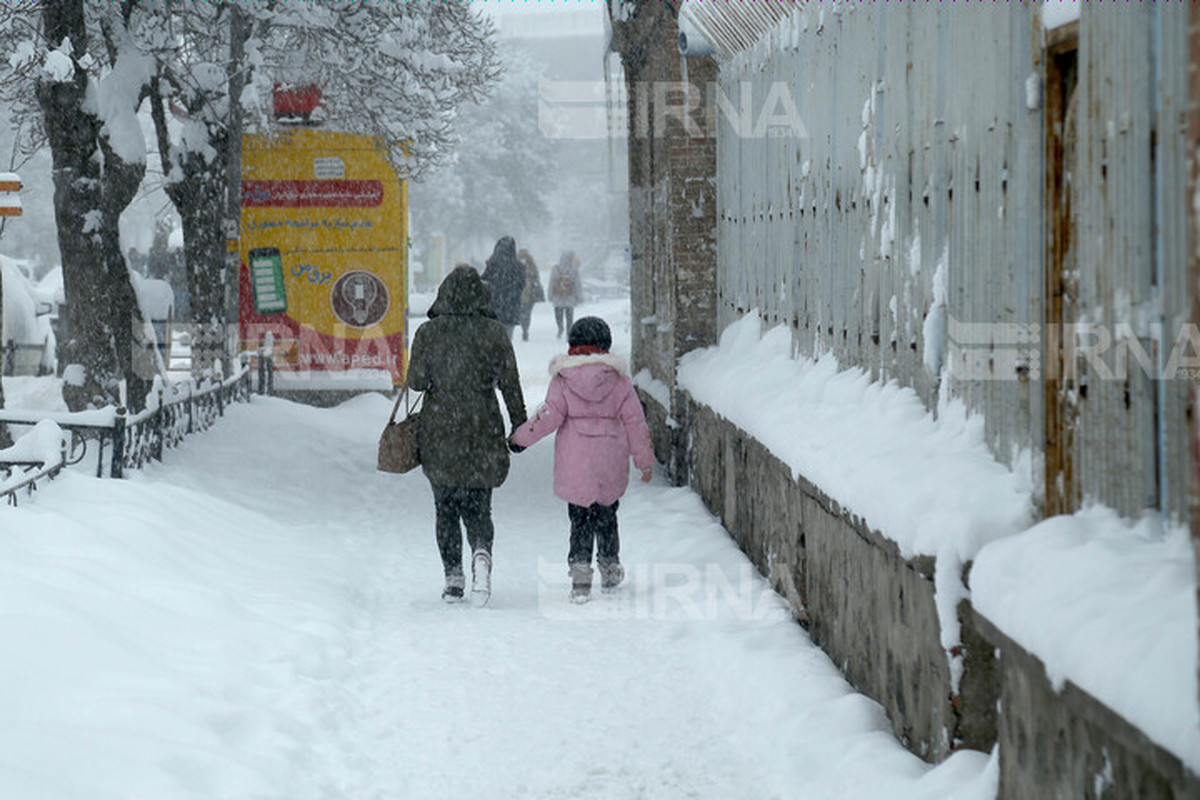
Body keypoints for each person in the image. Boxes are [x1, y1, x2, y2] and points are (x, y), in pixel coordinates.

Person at [509, 316, 654, 603]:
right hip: (609, 460)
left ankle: (580, 573)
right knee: (607, 515)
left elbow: (547, 416)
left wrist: (519, 439)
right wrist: (644, 461)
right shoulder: (620, 382)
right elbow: (636, 423)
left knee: (579, 519)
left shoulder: (563, 380)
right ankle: (610, 566)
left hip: (575, 463)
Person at [406, 264, 528, 605]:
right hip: (482, 426)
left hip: (440, 430)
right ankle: (481, 553)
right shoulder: (494, 332)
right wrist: (519, 426)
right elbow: (510, 385)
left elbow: (416, 382)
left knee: (445, 507)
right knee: (479, 506)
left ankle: (453, 577)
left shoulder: (429, 333)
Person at [481, 236, 525, 339]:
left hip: (493, 308)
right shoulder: (519, 267)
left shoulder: (492, 265)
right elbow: (520, 286)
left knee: (491, 339)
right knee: (507, 339)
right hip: (511, 309)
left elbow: (484, 282)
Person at [548, 251, 583, 339]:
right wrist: (579, 296)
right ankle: (569, 331)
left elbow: (551, 283)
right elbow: (577, 284)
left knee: (558, 315)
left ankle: (560, 328)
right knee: (569, 317)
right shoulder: (574, 270)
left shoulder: (555, 268)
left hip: (558, 297)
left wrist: (550, 295)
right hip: (569, 298)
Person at [516, 248, 545, 342]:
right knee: (526, 313)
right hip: (527, 293)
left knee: (524, 312)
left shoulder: (516, 264)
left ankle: (525, 329)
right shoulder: (531, 265)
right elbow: (536, 277)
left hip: (523, 293)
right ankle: (525, 329)